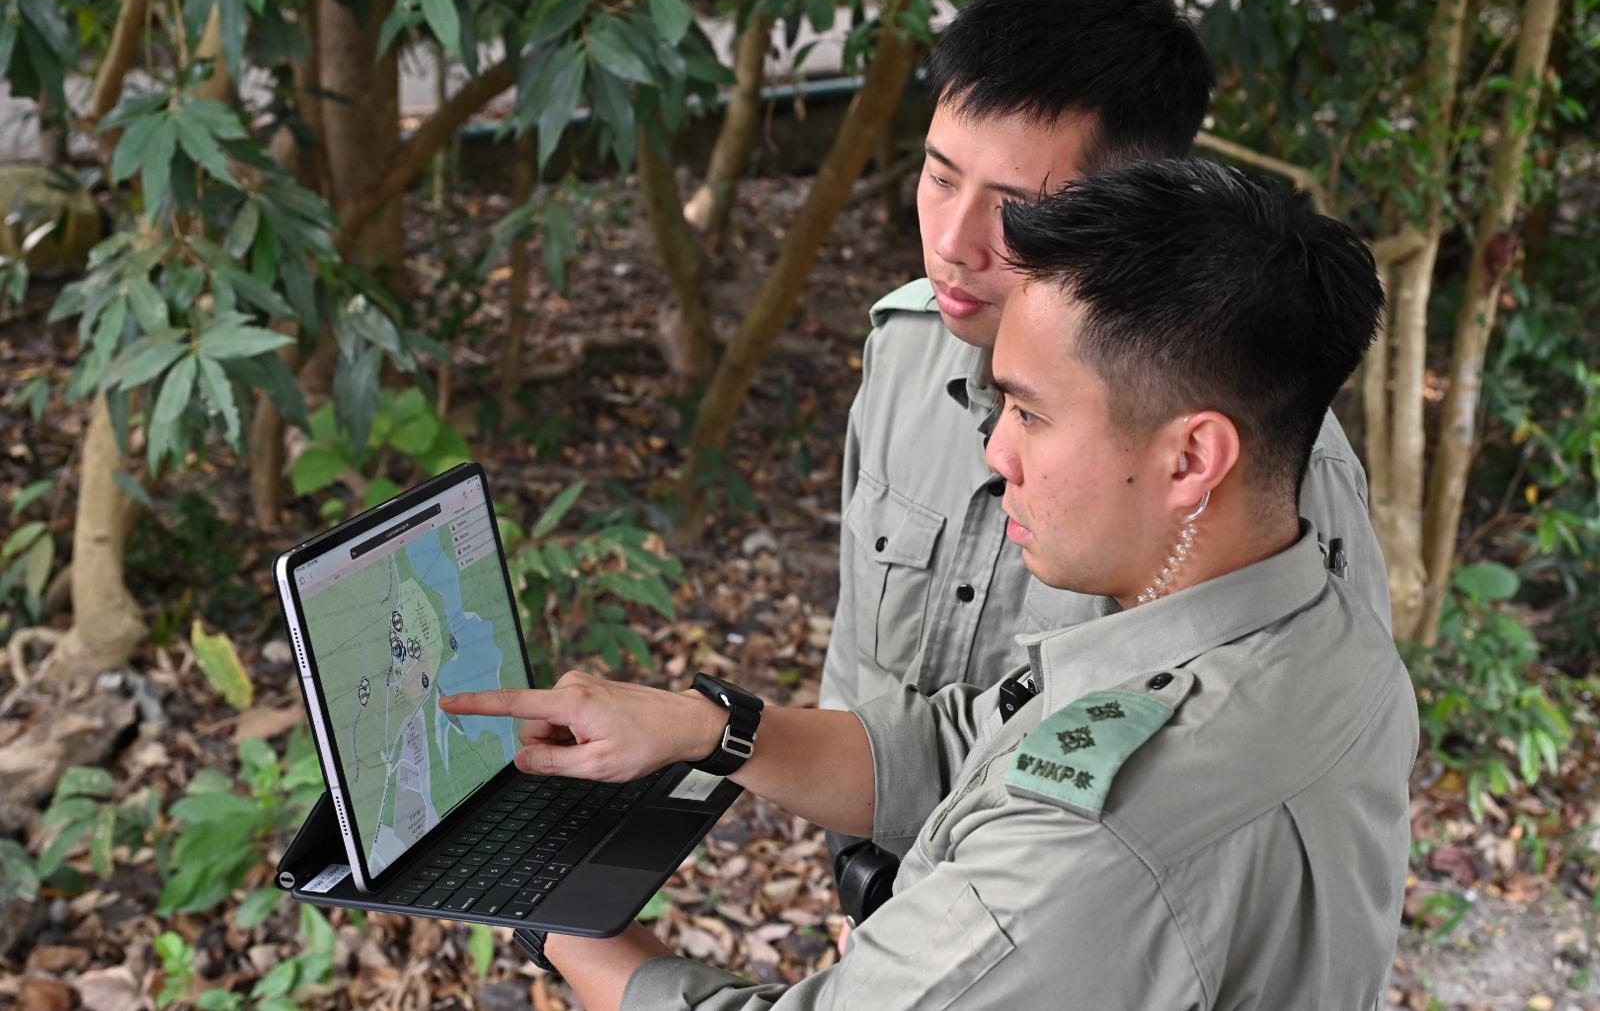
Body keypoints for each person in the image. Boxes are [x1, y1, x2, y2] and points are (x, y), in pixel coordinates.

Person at [442, 158, 1417, 1009]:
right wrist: (708, 728)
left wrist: (549, 906)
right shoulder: (1325, 631)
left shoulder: (1101, 839)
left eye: (1030, 414)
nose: (997, 453)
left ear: (1190, 458)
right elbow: (969, 743)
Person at [822, 0, 1392, 725]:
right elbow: (853, 671)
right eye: (941, 177)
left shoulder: (1269, 464)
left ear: (1129, 207)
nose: (953, 244)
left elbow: (1323, 736)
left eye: (1016, 208)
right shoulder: (904, 348)